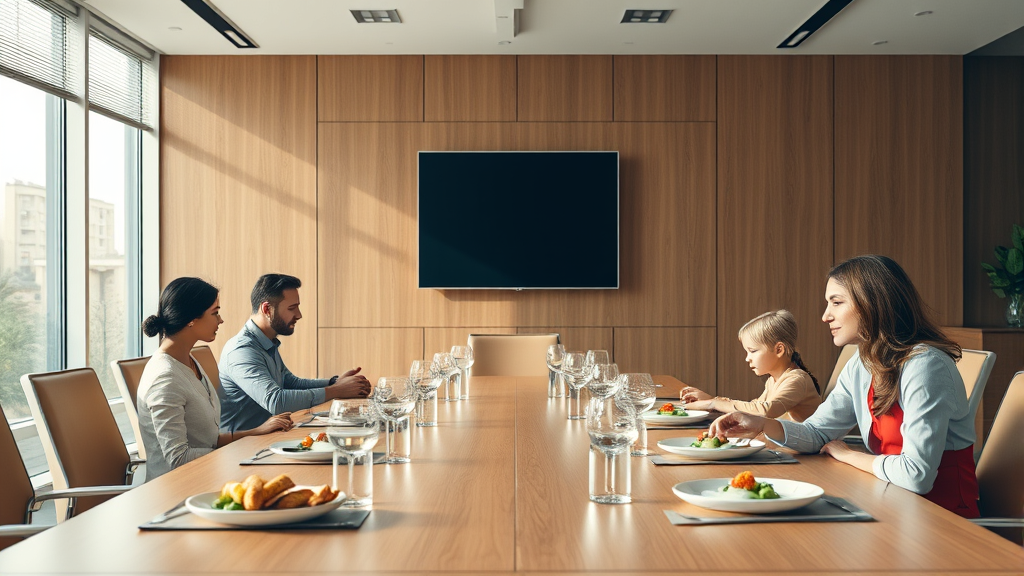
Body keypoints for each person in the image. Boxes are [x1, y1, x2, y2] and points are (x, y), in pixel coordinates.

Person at [709, 255, 978, 518]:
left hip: (941, 517)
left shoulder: (925, 365)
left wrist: (848, 455)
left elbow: (916, 475)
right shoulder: (861, 363)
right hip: (891, 501)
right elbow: (817, 433)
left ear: (872, 304)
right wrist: (760, 423)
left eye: (836, 303)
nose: (825, 316)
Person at [137, 277, 294, 480]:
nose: (220, 320)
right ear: (191, 319)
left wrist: (257, 431)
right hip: (178, 491)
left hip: (207, 475)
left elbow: (206, 441)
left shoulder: (188, 360)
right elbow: (178, 459)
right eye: (215, 313)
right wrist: (244, 452)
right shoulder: (165, 378)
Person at [219, 273, 371, 433]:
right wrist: (337, 390)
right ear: (266, 309)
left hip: (270, 436)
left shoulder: (266, 341)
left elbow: (290, 382)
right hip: (242, 447)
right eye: (292, 308)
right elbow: (276, 402)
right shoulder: (242, 350)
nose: (299, 315)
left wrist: (335, 382)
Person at [681, 310, 821, 422]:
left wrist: (714, 403)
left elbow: (765, 411)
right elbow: (753, 408)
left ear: (779, 350)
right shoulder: (773, 380)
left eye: (753, 351)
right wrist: (710, 400)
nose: (748, 358)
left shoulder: (797, 379)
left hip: (808, 454)